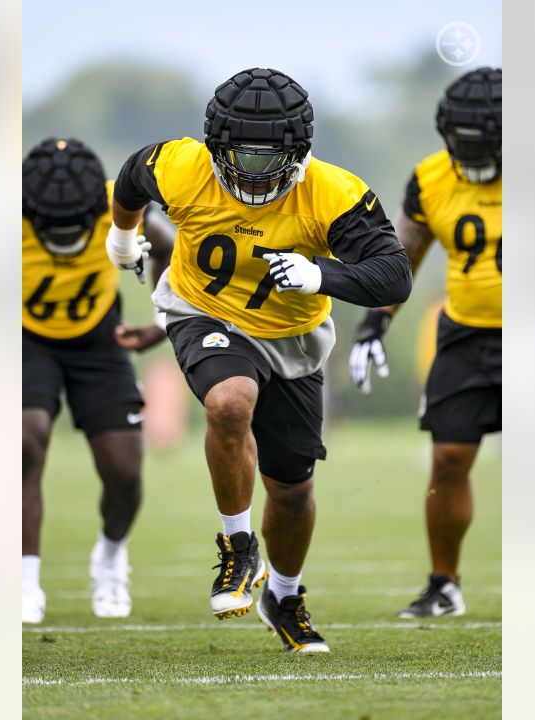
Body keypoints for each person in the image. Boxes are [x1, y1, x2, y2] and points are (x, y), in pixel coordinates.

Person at [105, 68, 412, 652]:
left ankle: (285, 595)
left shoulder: (334, 193)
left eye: (267, 158)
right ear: (215, 148)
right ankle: (237, 548)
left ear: (298, 152)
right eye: (239, 157)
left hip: (292, 336)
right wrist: (121, 238)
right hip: (204, 310)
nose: (251, 172)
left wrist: (321, 273)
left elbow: (394, 273)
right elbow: (129, 180)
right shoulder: (182, 165)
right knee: (229, 401)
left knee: (293, 489)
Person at [348, 67, 502, 618]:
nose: (470, 152)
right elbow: (403, 255)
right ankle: (445, 584)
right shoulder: (433, 177)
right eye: (461, 142)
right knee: (448, 457)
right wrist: (376, 320)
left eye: (482, 144)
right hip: (465, 333)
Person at [22, 137, 174, 623]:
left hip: (101, 341)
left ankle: (110, 556)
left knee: (124, 471)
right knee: (24, 439)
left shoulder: (119, 205)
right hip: (26, 339)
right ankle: (24, 577)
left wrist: (161, 320)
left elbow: (169, 247)